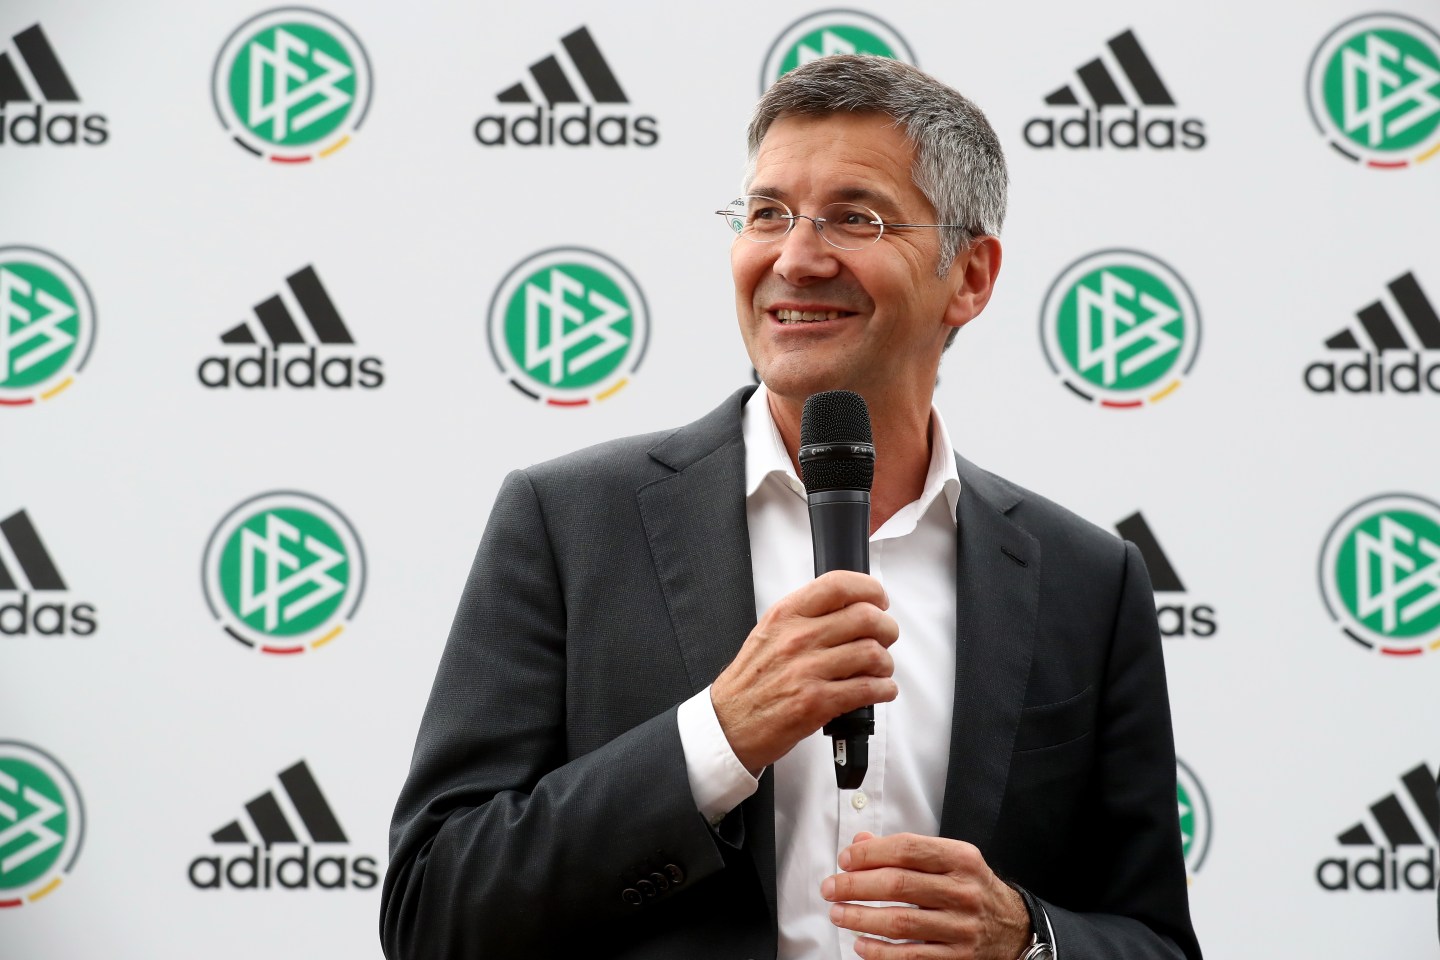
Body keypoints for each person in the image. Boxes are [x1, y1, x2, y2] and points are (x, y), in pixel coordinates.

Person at [381, 55, 1201, 960]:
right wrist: (717, 737)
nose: (795, 259)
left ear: (969, 276)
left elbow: (1154, 941)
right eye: (767, 213)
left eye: (854, 217)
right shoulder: (569, 524)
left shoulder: (1087, 580)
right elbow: (432, 910)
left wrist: (1027, 937)